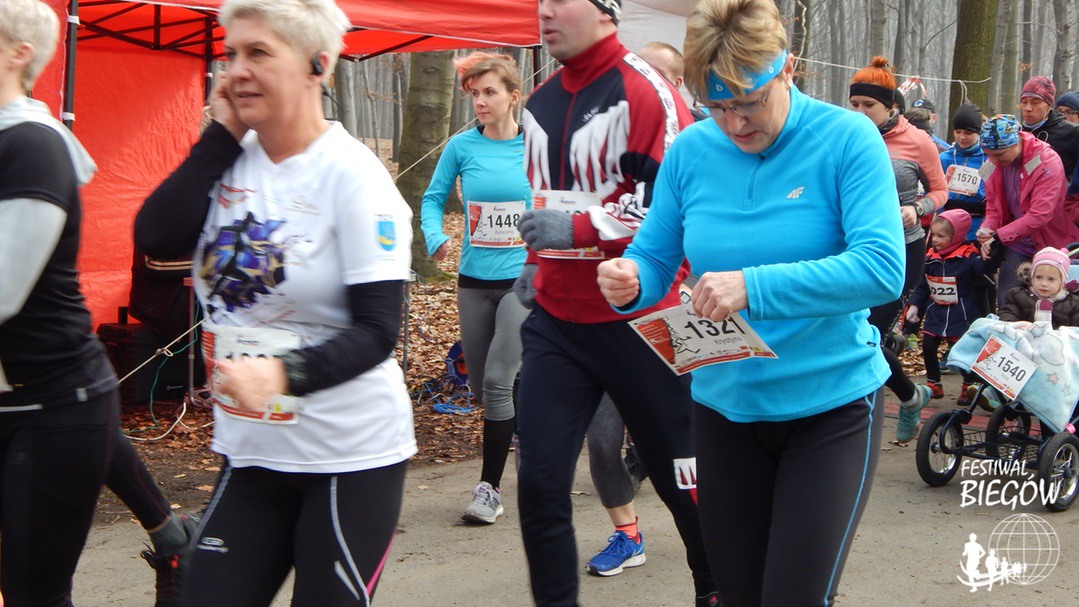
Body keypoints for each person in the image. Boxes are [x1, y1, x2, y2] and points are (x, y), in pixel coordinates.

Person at [596, 0, 904, 603]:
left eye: (749, 102)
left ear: (787, 69)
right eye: (716, 107)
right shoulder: (691, 150)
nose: (734, 125)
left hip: (830, 407)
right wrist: (629, 276)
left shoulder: (848, 138)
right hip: (725, 408)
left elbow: (881, 269)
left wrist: (753, 287)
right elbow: (655, 256)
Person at [134, 0, 415, 604]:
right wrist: (221, 135)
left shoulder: (354, 177)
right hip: (251, 450)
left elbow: (377, 331)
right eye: (230, 53)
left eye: (258, 52)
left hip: (347, 457)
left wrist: (283, 375)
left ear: (318, 65)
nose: (236, 69)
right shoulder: (231, 160)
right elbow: (155, 237)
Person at [512, 0, 717, 605]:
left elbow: (672, 207)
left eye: (560, 0)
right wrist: (534, 261)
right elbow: (545, 198)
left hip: (643, 318)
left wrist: (578, 231)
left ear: (606, 9)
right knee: (539, 484)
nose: (544, 11)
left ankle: (716, 588)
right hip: (558, 325)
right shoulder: (540, 100)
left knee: (683, 483)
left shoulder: (648, 90)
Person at [0, 1, 120, 604]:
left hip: (52, 406)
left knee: (33, 592)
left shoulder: (34, 145)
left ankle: (172, 537)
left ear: (18, 53)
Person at [419, 51, 531, 525]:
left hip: (522, 279)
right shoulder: (462, 147)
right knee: (487, 390)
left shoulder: (536, 148)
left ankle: (489, 490)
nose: (481, 102)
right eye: (474, 94)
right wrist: (435, 236)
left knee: (498, 381)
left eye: (489, 93)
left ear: (512, 96)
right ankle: (527, 429)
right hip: (473, 281)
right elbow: (431, 200)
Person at [849, 56, 947, 443]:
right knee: (849, 332)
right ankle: (896, 398)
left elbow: (941, 191)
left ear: (891, 106)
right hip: (854, 249)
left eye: (868, 105)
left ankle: (908, 398)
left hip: (901, 252)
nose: (859, 112)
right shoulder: (847, 135)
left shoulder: (918, 141)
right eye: (854, 104)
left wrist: (917, 208)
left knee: (867, 335)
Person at [976, 114, 1079, 310]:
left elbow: (1040, 215)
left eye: (999, 155)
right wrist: (988, 229)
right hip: (1017, 243)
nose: (994, 161)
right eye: (989, 155)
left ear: (1016, 143)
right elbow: (994, 206)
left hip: (1051, 243)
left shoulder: (1047, 161)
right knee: (1008, 302)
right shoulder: (994, 163)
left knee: (1054, 306)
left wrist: (999, 236)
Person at [905, 211, 986, 409]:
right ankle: (934, 383)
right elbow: (922, 286)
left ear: (956, 236)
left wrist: (988, 256)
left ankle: (969, 384)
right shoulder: (930, 257)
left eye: (942, 236)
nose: (936, 240)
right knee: (929, 345)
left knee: (962, 351)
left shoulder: (969, 257)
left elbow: (983, 272)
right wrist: (915, 306)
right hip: (937, 311)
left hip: (961, 312)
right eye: (933, 235)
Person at [939, 103, 993, 317]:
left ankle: (985, 318)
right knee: (950, 277)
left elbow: (992, 193)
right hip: (949, 228)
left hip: (977, 227)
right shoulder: (945, 158)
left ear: (978, 133)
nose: (962, 137)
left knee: (980, 280)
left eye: (968, 133)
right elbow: (937, 191)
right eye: (958, 132)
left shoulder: (988, 158)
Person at [998, 246, 1079, 328]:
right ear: (1032, 277)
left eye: (1051, 279)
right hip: (1024, 334)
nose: (1044, 284)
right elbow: (1008, 315)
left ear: (1062, 282)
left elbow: (1075, 329)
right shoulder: (1018, 295)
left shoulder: (1073, 303)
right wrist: (1015, 327)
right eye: (1039, 277)